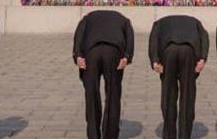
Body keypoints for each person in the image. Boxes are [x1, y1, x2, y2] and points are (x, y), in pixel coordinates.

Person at [73, 10, 135, 139]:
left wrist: (78, 55)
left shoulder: (87, 18)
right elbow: (130, 36)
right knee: (113, 94)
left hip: (91, 52)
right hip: (113, 52)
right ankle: (110, 135)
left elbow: (78, 35)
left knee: (91, 94)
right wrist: (127, 56)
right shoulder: (123, 19)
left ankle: (93, 134)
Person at [148, 15, 209, 139]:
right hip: (188, 52)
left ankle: (169, 134)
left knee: (168, 94)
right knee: (187, 95)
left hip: (169, 52)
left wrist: (154, 60)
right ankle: (184, 135)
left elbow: (153, 40)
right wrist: (202, 58)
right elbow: (205, 38)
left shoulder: (159, 22)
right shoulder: (195, 21)